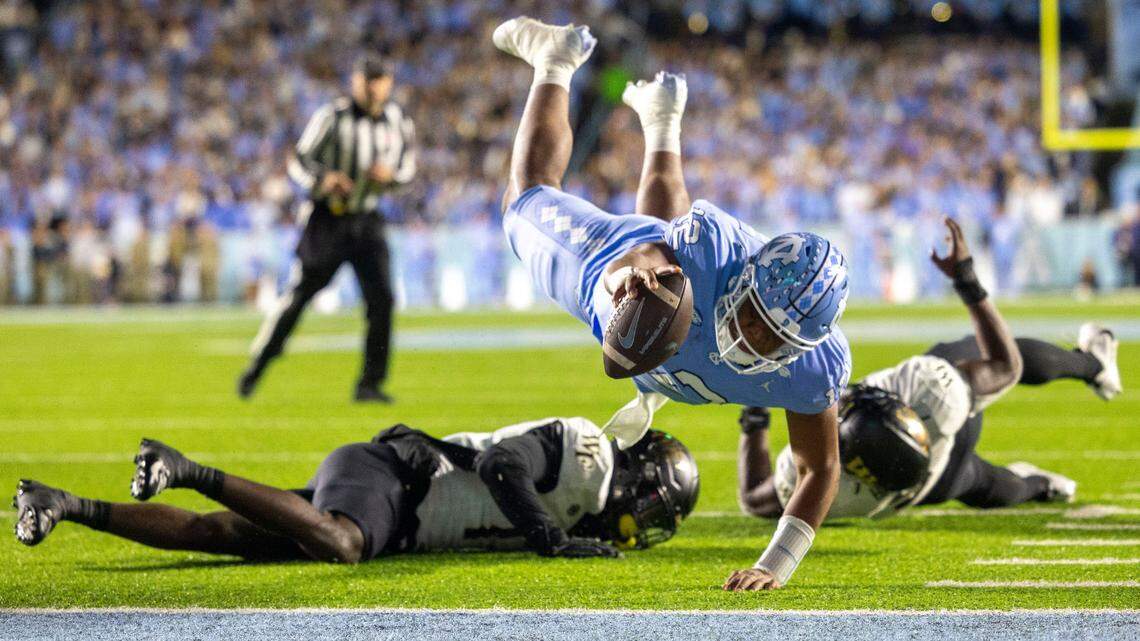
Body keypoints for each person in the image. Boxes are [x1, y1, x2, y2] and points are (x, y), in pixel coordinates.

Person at [492, 17, 850, 591]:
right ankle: (554, 60)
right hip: (618, 264)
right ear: (747, 282)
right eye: (756, 318)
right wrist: (625, 289)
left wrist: (773, 565)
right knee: (524, 197)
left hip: (679, 274)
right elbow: (651, 245)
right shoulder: (711, 253)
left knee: (672, 255)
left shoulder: (814, 368)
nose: (756, 339)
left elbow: (819, 468)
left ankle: (661, 121)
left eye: (775, 339)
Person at [737, 222, 1123, 520]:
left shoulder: (815, 486)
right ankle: (1094, 364)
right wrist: (966, 279)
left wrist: (754, 418)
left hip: (929, 485)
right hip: (928, 447)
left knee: (981, 483)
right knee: (992, 358)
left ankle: (1041, 485)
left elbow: (755, 499)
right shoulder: (929, 396)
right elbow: (1007, 365)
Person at [13, 418, 698, 562]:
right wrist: (552, 539)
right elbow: (497, 467)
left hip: (398, 510)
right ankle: (187, 467)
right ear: (640, 474)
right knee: (340, 542)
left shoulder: (593, 489)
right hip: (394, 474)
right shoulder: (584, 452)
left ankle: (63, 503)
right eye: (654, 503)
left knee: (221, 537)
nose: (643, 518)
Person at [238, 52, 416, 403]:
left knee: (382, 301)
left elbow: (408, 170)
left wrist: (391, 178)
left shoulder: (399, 121)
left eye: (379, 80)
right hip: (328, 219)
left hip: (367, 218)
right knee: (301, 293)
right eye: (367, 79)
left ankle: (370, 384)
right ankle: (259, 363)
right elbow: (298, 161)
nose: (372, 87)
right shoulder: (331, 117)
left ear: (388, 83)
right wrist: (323, 180)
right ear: (356, 81)